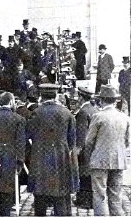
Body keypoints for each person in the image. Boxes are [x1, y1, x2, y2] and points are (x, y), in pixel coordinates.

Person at [27, 83, 77, 216]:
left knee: (40, 193)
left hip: (40, 157)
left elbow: (28, 134)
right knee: (60, 192)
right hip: (61, 157)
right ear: (55, 95)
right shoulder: (67, 113)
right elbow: (72, 141)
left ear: (41, 96)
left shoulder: (36, 113)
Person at [85, 85, 130, 216]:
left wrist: (91, 156)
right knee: (116, 194)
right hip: (118, 161)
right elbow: (127, 141)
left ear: (102, 100)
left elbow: (89, 141)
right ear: (115, 101)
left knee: (100, 195)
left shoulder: (98, 116)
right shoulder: (124, 118)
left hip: (99, 160)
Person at [74, 86, 99, 209]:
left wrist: (77, 150)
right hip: (95, 147)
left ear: (80, 97)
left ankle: (85, 201)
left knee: (84, 174)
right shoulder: (95, 109)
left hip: (86, 150)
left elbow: (81, 134)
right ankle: (91, 200)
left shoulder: (83, 112)